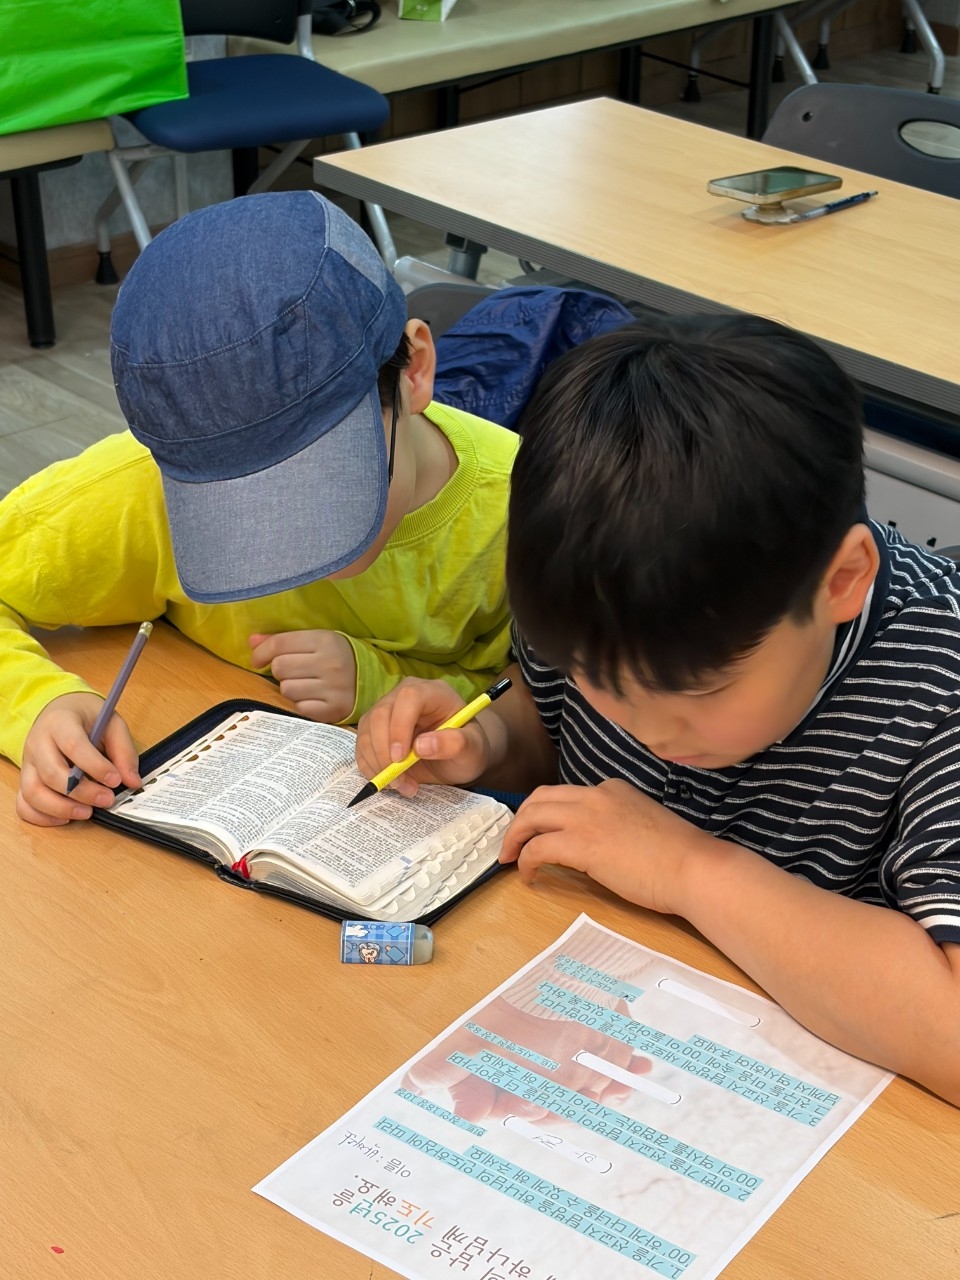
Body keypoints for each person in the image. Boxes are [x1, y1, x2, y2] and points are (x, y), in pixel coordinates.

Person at [355, 313, 960, 1107]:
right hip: (611, 1009)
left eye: (697, 693)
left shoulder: (940, 687)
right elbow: (554, 729)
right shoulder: (595, 582)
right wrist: (491, 741)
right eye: (594, 678)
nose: (641, 730)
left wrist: (686, 868)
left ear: (842, 582)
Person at [4, 190, 517, 827]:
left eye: (329, 484)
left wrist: (379, 680)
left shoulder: (528, 511)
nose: (301, 543)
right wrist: (39, 706)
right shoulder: (140, 489)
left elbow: (540, 711)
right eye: (241, 508)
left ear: (413, 371)